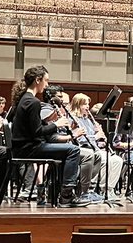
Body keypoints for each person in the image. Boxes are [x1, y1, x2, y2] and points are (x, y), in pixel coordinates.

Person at [10, 65, 90, 207]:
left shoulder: (24, 99)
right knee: (73, 150)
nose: (47, 85)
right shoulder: (33, 102)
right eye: (46, 81)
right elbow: (37, 132)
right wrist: (56, 124)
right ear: (37, 80)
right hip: (30, 149)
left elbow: (30, 127)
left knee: (67, 150)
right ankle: (66, 195)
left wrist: (46, 121)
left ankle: (58, 192)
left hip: (23, 147)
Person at [71, 93, 123, 201]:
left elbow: (93, 140)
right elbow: (79, 140)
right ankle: (92, 189)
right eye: (84, 104)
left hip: (94, 148)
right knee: (105, 160)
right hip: (84, 150)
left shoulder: (88, 120)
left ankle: (108, 189)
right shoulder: (74, 120)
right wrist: (95, 136)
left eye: (88, 104)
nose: (87, 107)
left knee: (117, 160)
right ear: (77, 105)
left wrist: (101, 141)